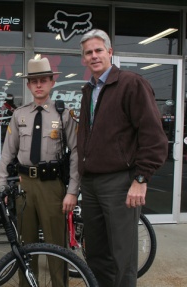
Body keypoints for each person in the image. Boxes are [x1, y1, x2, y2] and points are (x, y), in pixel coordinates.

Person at [78, 29, 168, 287]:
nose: (94, 56)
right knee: (96, 254)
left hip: (119, 183)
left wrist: (141, 178)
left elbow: (154, 136)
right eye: (88, 53)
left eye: (98, 50)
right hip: (91, 183)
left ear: (109, 52)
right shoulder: (89, 91)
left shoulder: (131, 84)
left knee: (122, 256)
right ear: (83, 59)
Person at [0, 57, 79, 286]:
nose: (39, 85)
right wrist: (2, 186)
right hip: (25, 186)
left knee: (56, 246)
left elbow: (76, 153)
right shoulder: (19, 114)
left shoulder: (63, 114)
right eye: (34, 81)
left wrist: (72, 190)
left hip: (53, 187)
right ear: (28, 85)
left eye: (44, 80)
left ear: (52, 82)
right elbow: (7, 153)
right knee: (26, 245)